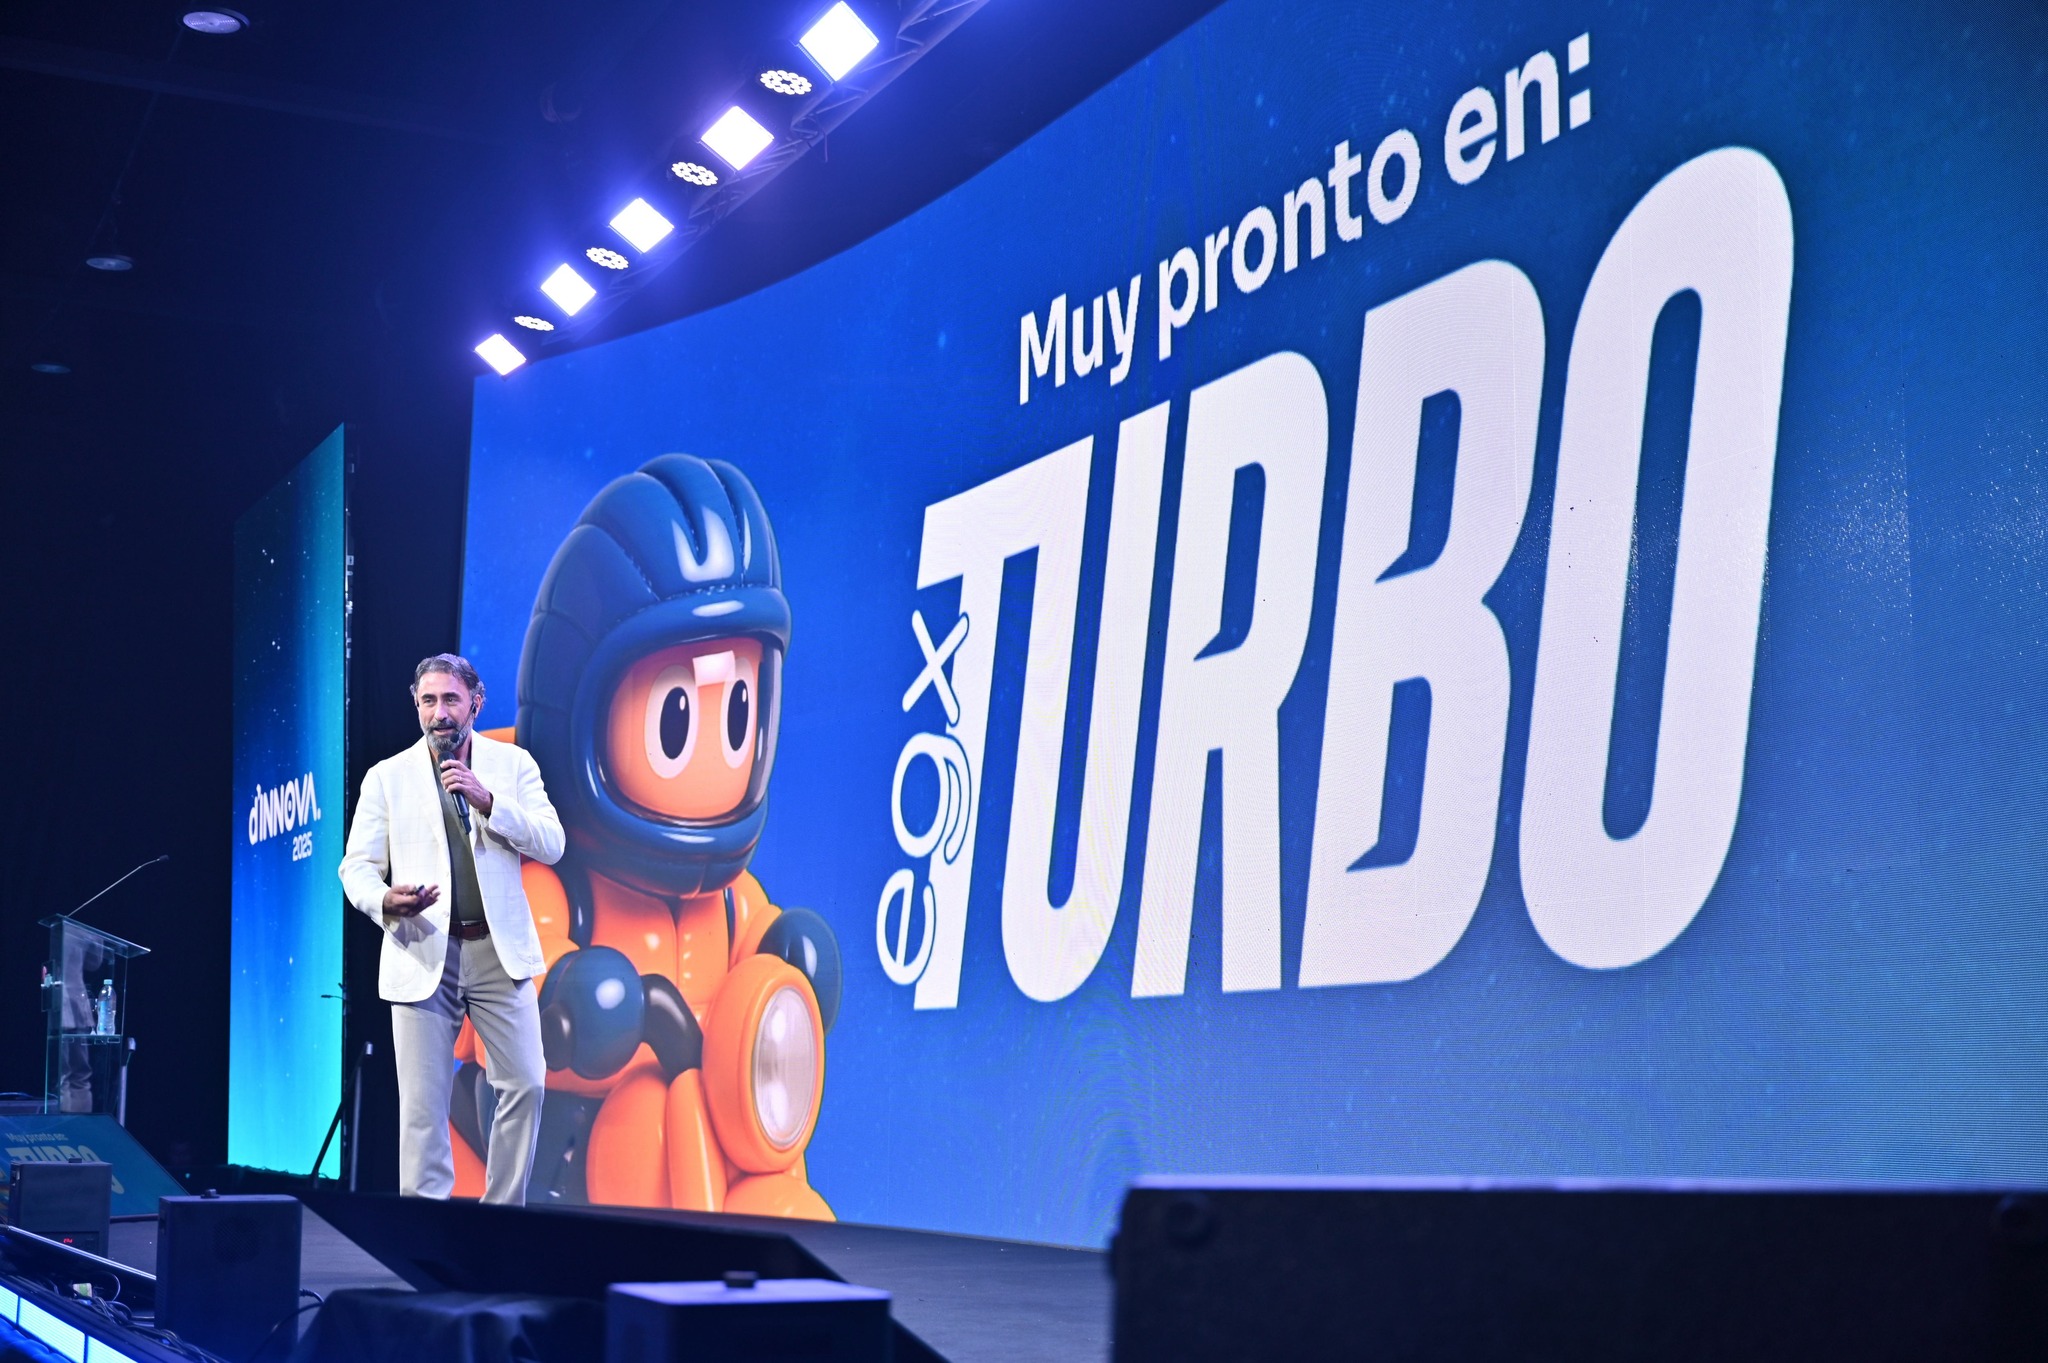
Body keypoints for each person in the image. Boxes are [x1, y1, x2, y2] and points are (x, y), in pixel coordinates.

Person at [339, 653, 564, 1203]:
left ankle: (499, 1222)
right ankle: (427, 1230)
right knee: (422, 1110)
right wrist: (385, 900)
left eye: (450, 700)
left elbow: (552, 843)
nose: (439, 713)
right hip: (423, 950)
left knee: (526, 1084)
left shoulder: (513, 764)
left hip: (497, 950)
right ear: (416, 706)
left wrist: (489, 802)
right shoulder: (387, 777)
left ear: (476, 703)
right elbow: (356, 868)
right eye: (428, 701)